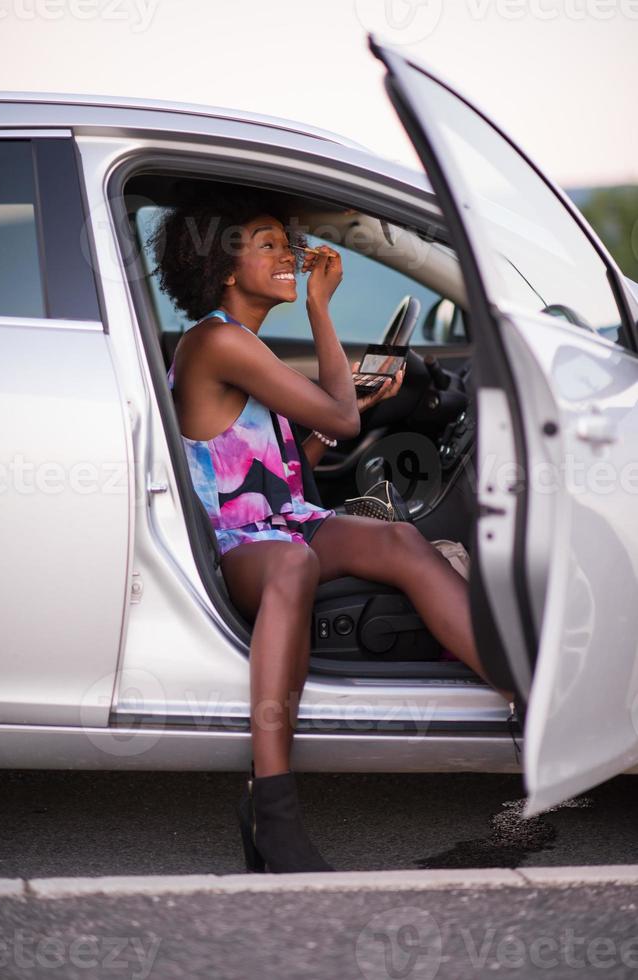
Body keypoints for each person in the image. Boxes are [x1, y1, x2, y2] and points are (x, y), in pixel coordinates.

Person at [152, 188, 513, 874]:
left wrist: (339, 408)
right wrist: (322, 310)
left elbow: (288, 469)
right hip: (235, 544)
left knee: (398, 540)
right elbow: (343, 424)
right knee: (294, 567)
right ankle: (272, 805)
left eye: (286, 242)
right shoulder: (216, 338)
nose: (288, 255)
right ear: (225, 269)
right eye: (267, 244)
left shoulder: (243, 345)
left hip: (281, 520)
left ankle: (523, 689)